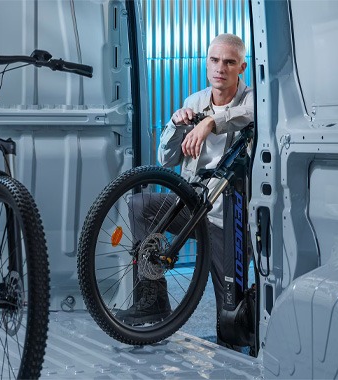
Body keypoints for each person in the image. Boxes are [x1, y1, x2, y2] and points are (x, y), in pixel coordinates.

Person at [115, 34, 254, 343]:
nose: (221, 68)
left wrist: (210, 124)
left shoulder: (253, 100)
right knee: (141, 206)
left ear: (241, 66)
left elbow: (249, 116)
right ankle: (153, 300)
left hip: (228, 219)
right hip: (192, 207)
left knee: (229, 321)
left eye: (229, 62)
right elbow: (167, 159)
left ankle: (238, 346)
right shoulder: (194, 101)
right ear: (207, 63)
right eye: (215, 60)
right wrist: (175, 125)